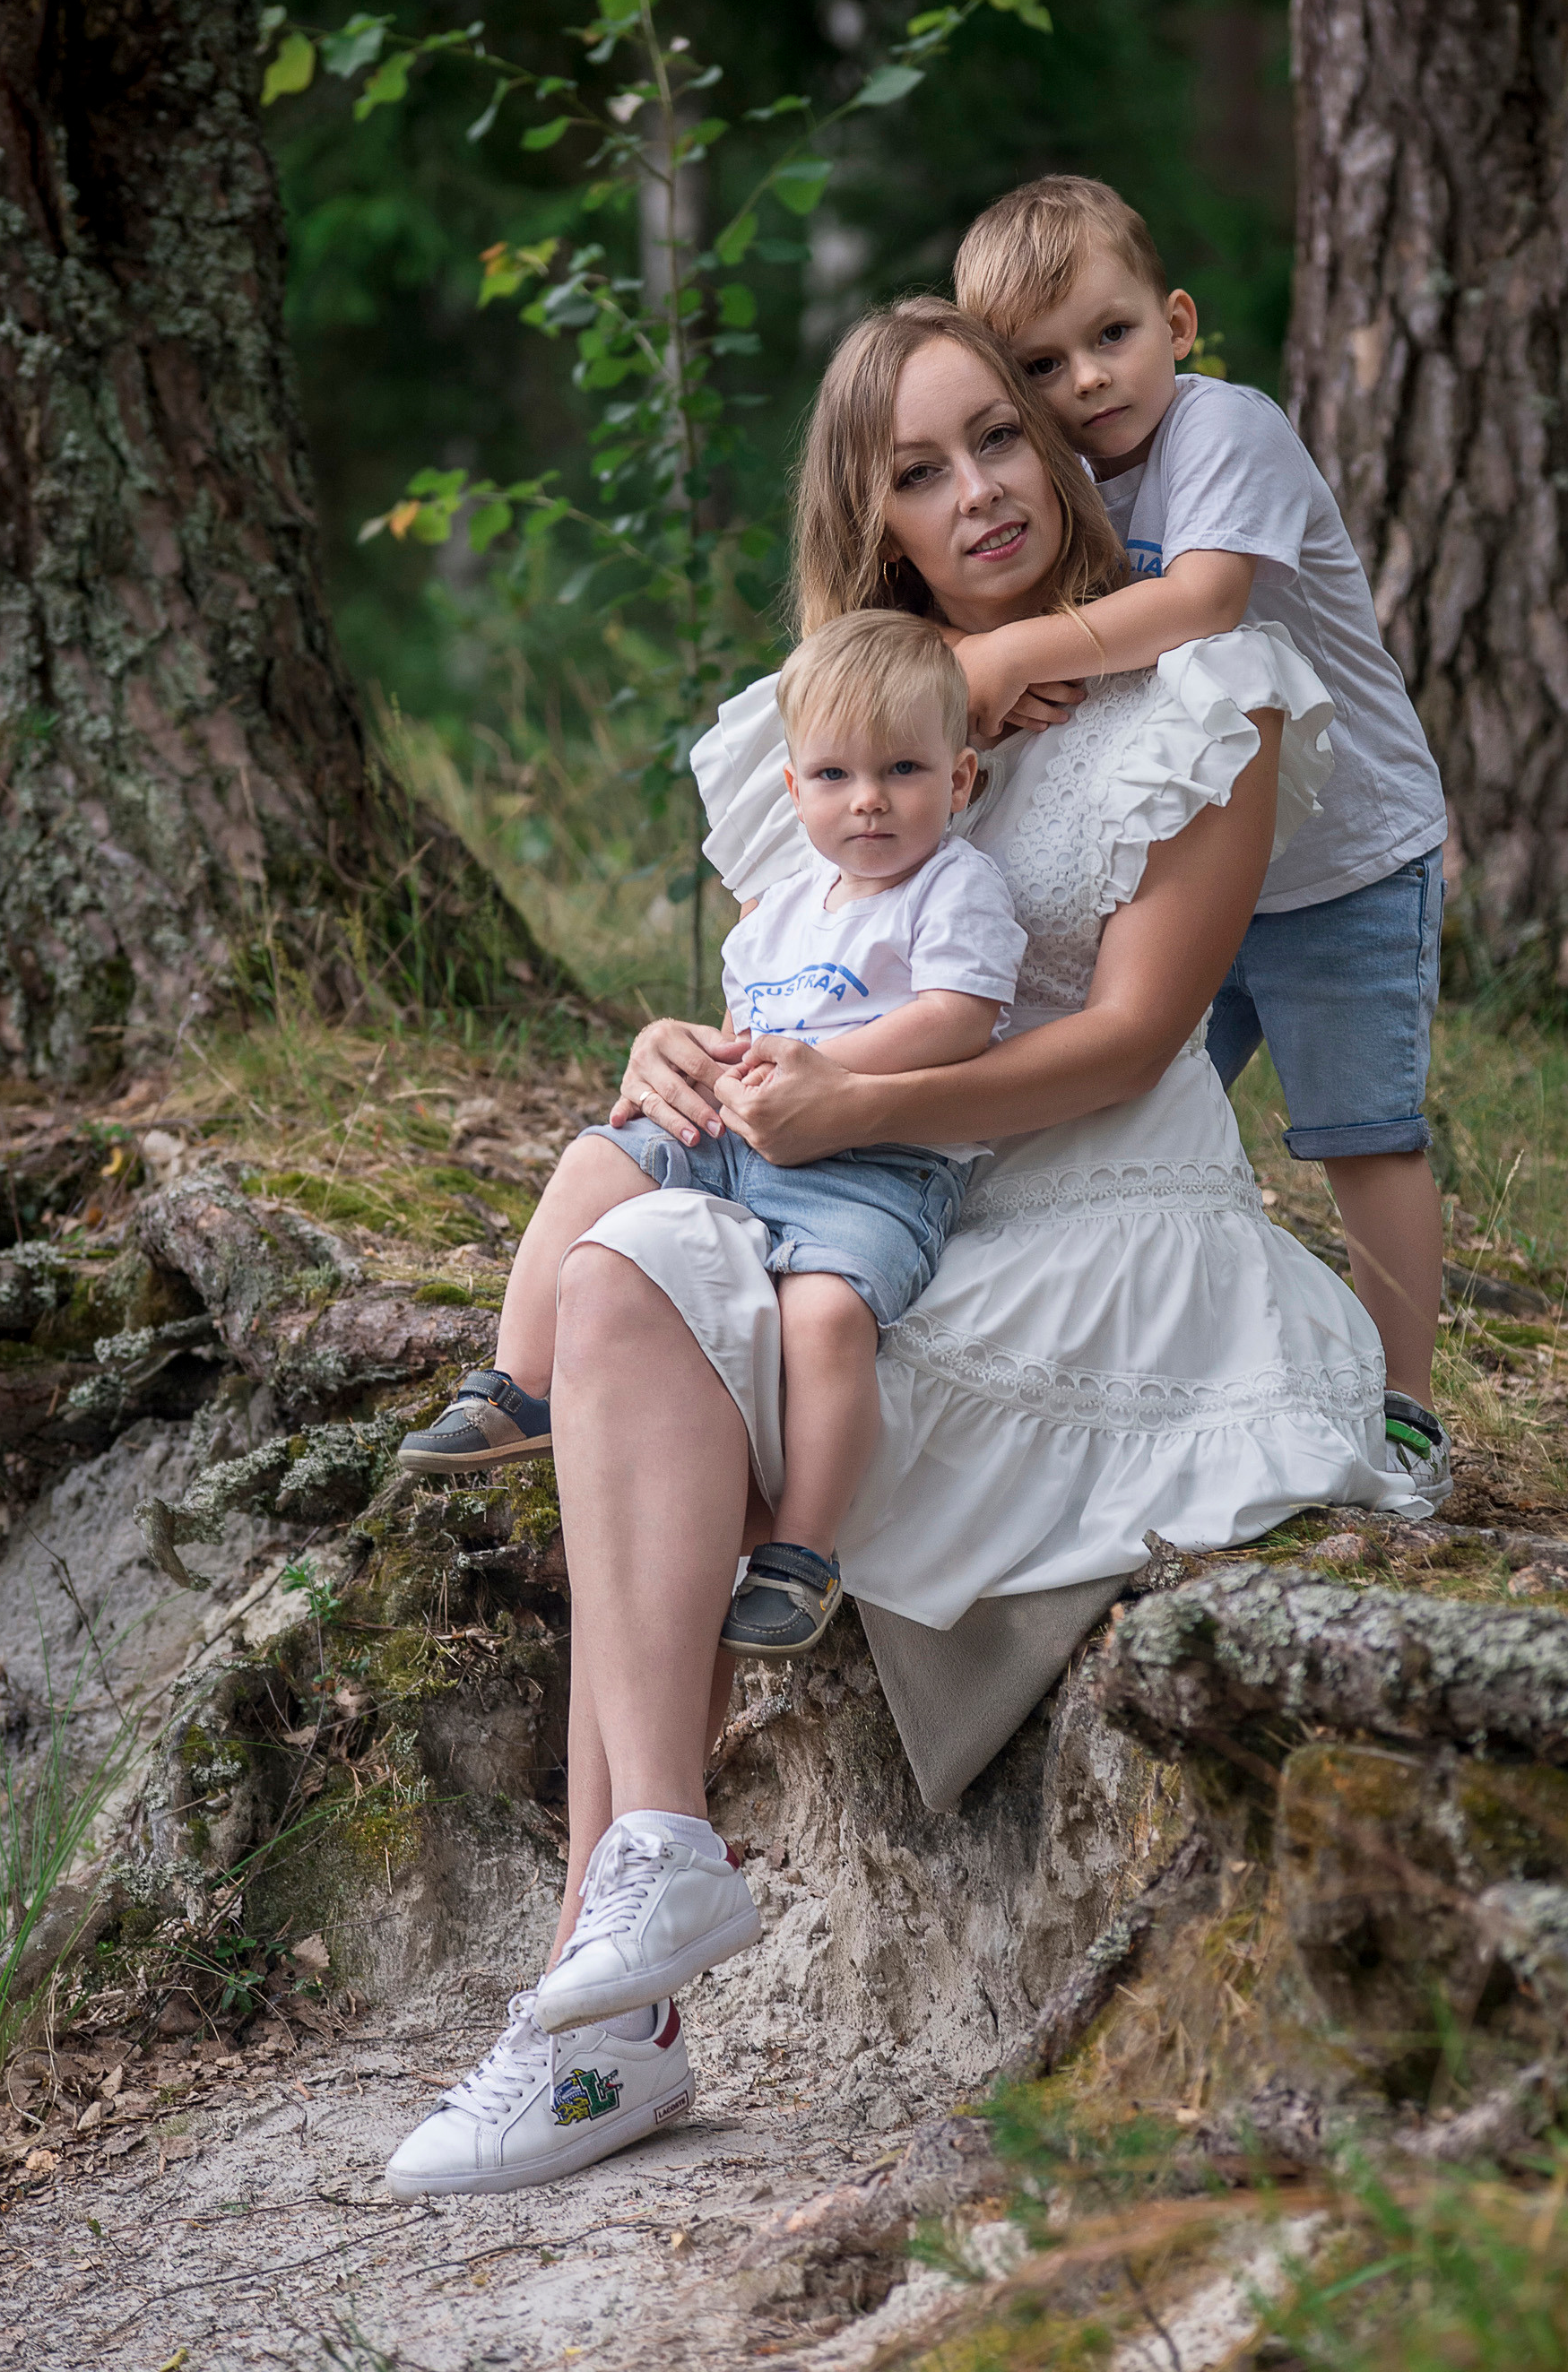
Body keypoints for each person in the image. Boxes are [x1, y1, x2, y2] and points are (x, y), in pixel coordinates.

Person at [382, 299, 1434, 2204]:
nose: (978, 493)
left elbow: (1125, 1042)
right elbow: (789, 995)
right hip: (848, 1185)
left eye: (1000, 439)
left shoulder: (1210, 696)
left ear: (1059, 440)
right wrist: (672, 1054)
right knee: (624, 1276)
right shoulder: (837, 716)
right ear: (867, 510)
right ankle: (621, 1964)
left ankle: (593, 2026)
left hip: (1088, 1204)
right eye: (919, 468)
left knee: (719, 1337)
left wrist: (850, 1112)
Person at [950, 177, 1452, 1493]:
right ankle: (1186, 1377)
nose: (1088, 382)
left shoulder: (1229, 427)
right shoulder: (1048, 490)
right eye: (1041, 366)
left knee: (1362, 1129)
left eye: (1112, 336)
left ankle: (1407, 1404)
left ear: (1176, 321)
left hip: (1340, 859)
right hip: (1184, 862)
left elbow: (1206, 601)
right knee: (1144, 1115)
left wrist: (1011, 652)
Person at [596, 606, 1025, 1660]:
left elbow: (957, 1019)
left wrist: (829, 1075)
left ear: (960, 781)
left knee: (823, 1320)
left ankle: (801, 1550)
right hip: (753, 1137)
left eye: (902, 770)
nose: (867, 799)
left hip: (878, 1163)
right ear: (793, 793)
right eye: (832, 776)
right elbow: (748, 1035)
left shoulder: (952, 887)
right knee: (597, 1156)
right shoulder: (777, 914)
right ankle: (515, 1381)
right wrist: (709, 1065)